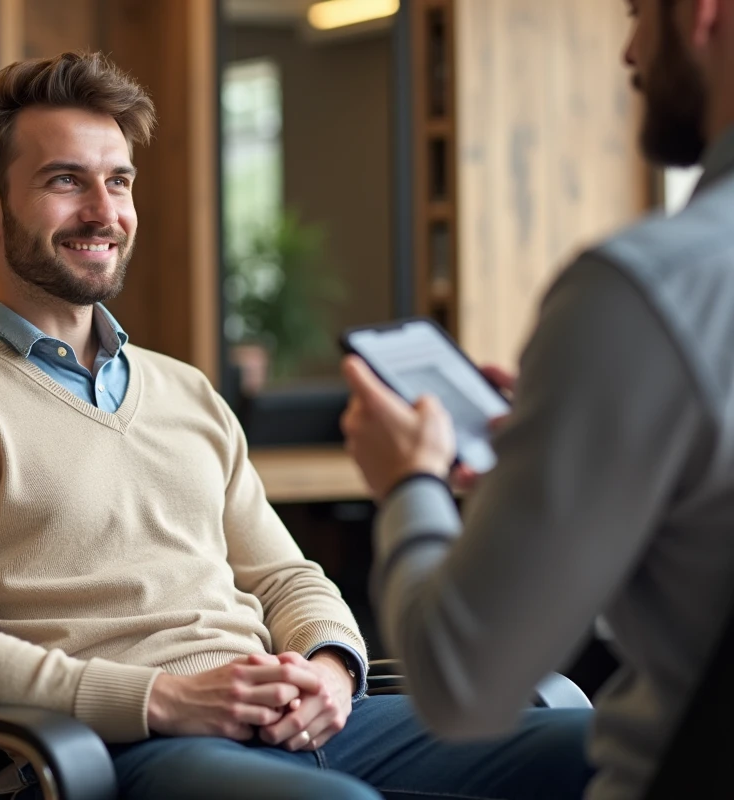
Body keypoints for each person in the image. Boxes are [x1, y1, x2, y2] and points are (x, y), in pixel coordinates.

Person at [0, 52, 592, 800]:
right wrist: (163, 699)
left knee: (601, 747)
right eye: (64, 180)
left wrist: (331, 669)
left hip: (291, 725)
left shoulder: (186, 391)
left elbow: (285, 578)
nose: (104, 212)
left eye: (118, 181)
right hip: (119, 754)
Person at [339, 1, 734, 798]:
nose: (627, 51)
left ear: (701, 14)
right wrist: (571, 446)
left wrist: (408, 485)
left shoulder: (644, 291)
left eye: (635, 15)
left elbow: (463, 683)